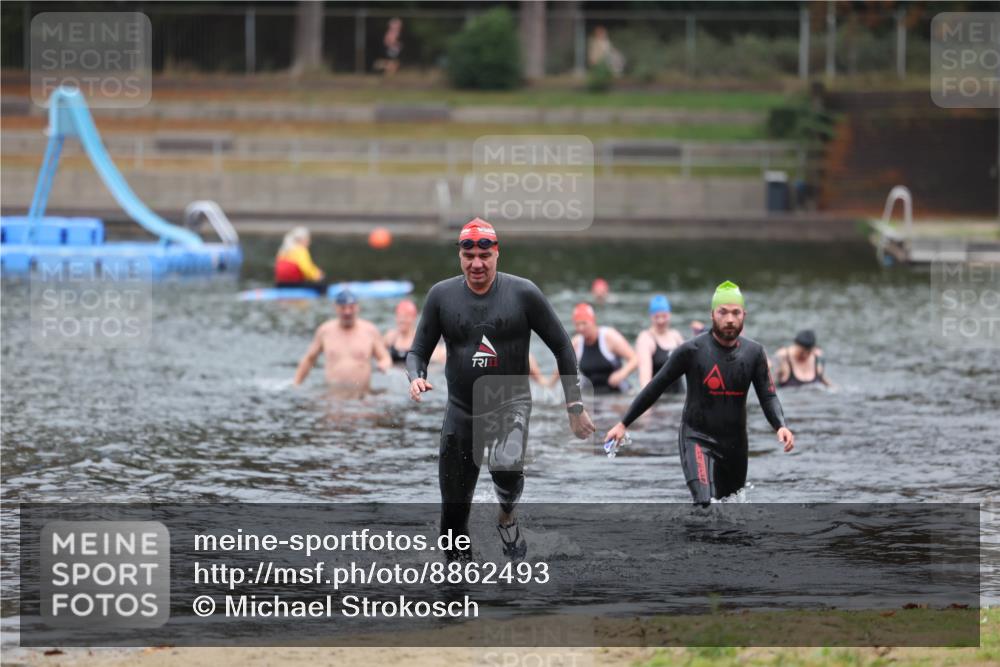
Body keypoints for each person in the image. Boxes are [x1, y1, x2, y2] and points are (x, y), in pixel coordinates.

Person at [406, 218, 596, 561]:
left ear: (497, 254)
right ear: (460, 257)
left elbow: (563, 347)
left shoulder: (522, 293)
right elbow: (417, 350)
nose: (477, 264)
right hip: (461, 411)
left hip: (510, 403)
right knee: (452, 525)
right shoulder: (441, 295)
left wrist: (575, 407)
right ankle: (459, 599)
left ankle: (507, 518)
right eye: (469, 256)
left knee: (506, 467)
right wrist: (415, 376)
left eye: (485, 255)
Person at [604, 281, 795, 506]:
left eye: (735, 313)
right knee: (704, 504)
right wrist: (624, 423)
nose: (730, 319)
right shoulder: (691, 351)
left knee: (730, 511)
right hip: (697, 438)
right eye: (723, 312)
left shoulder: (754, 353)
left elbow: (768, 395)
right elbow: (656, 386)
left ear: (744, 314)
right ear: (712, 314)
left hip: (735, 445)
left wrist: (780, 425)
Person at [293, 290, 391, 396]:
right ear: (336, 307)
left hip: (362, 397)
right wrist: (296, 384)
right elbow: (309, 359)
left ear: (357, 307)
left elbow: (385, 357)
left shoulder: (370, 331)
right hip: (333, 396)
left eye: (351, 307)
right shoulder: (325, 331)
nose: (347, 312)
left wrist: (384, 364)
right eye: (343, 308)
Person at [566, 302, 637, 395]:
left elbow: (635, 359)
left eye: (584, 323)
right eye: (577, 324)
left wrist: (621, 374)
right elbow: (563, 366)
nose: (581, 328)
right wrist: (549, 384)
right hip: (591, 395)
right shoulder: (576, 343)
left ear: (593, 320)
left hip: (617, 393)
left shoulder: (609, 336)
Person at [635, 294, 685, 393]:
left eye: (664, 316)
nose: (660, 320)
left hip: (680, 398)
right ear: (651, 316)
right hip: (659, 401)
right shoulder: (645, 339)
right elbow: (645, 379)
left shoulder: (676, 336)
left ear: (669, 315)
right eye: (656, 317)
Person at [384, 299, 445, 365]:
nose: (402, 320)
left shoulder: (421, 338)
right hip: (394, 372)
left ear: (414, 317)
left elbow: (439, 356)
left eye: (406, 317)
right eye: (399, 316)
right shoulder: (391, 337)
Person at [275, 227, 326, 294]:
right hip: (296, 285)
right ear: (302, 240)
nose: (309, 242)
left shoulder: (282, 250)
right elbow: (306, 269)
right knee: (323, 286)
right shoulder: (301, 250)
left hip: (280, 285)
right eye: (308, 239)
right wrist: (318, 275)